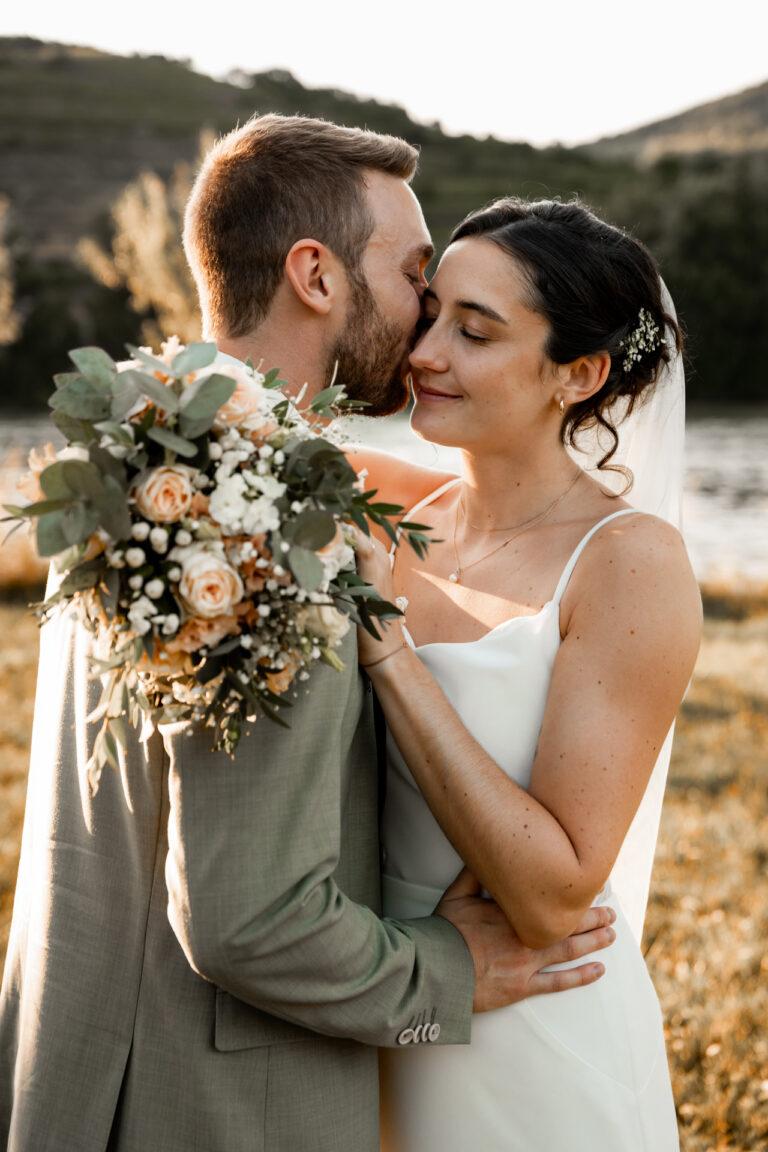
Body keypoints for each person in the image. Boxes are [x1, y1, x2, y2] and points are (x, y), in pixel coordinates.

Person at [0, 121, 615, 1152]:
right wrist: (446, 981)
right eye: (416, 272)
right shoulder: (271, 512)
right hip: (206, 1110)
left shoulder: (141, 450)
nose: (429, 309)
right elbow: (250, 922)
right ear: (316, 276)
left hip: (70, 1066)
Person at [351, 197, 702, 1151]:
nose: (424, 354)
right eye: (429, 315)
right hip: (376, 1003)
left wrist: (384, 646)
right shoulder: (383, 501)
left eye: (476, 332)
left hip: (533, 1038)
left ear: (578, 375)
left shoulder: (629, 561)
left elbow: (552, 897)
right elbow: (226, 424)